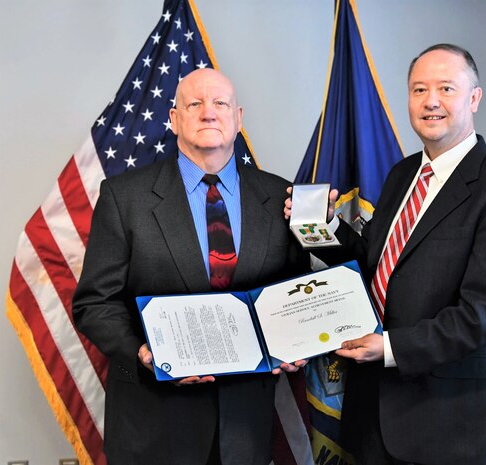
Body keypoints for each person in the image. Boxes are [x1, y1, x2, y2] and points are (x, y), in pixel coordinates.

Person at [286, 44, 486, 465]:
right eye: (419, 89)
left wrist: (386, 348)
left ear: (474, 98)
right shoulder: (402, 174)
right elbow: (375, 263)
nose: (431, 101)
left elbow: (485, 314)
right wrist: (324, 226)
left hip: (444, 420)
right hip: (372, 412)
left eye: (446, 88)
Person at [73, 68, 309, 465]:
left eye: (220, 103)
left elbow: (292, 289)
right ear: (174, 118)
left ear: (238, 117)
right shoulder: (124, 197)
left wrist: (296, 341)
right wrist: (144, 354)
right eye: (194, 103)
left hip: (246, 427)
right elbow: (95, 303)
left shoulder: (278, 195)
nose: (208, 113)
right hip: (154, 423)